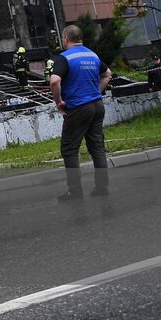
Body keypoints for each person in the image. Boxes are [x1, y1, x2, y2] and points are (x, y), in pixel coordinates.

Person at [48, 24, 112, 199]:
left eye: (62, 38)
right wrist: (96, 92)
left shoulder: (64, 58)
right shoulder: (92, 55)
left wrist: (59, 102)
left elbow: (54, 81)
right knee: (97, 147)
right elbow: (107, 74)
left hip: (78, 108)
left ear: (67, 38)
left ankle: (75, 191)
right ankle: (102, 188)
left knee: (69, 149)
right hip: (97, 106)